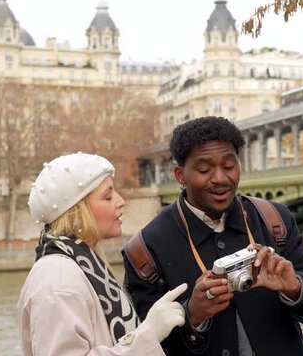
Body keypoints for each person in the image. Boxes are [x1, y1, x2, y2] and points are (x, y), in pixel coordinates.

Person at [122, 117, 303, 355]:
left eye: (229, 166)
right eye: (204, 169)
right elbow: (143, 343)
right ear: (180, 175)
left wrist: (295, 287)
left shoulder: (274, 219)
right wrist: (192, 315)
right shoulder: (144, 250)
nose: (220, 178)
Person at [18, 152, 187, 356]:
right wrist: (148, 335)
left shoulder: (76, 265)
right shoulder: (60, 282)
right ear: (76, 212)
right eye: (108, 196)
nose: (121, 201)